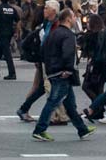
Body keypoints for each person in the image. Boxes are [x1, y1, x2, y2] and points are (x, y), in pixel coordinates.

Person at [30, 8, 93, 142]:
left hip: (53, 71)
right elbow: (68, 53)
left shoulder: (53, 33)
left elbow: (43, 50)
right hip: (62, 72)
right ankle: (40, 129)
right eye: (73, 17)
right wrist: (68, 70)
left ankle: (82, 129)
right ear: (68, 19)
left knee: (69, 105)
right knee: (53, 101)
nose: (75, 19)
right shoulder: (68, 35)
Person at [0, 0, 19, 80]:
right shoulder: (12, 9)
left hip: (1, 32)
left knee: (7, 53)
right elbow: (18, 21)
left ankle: (12, 73)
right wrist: (17, 31)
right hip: (9, 33)